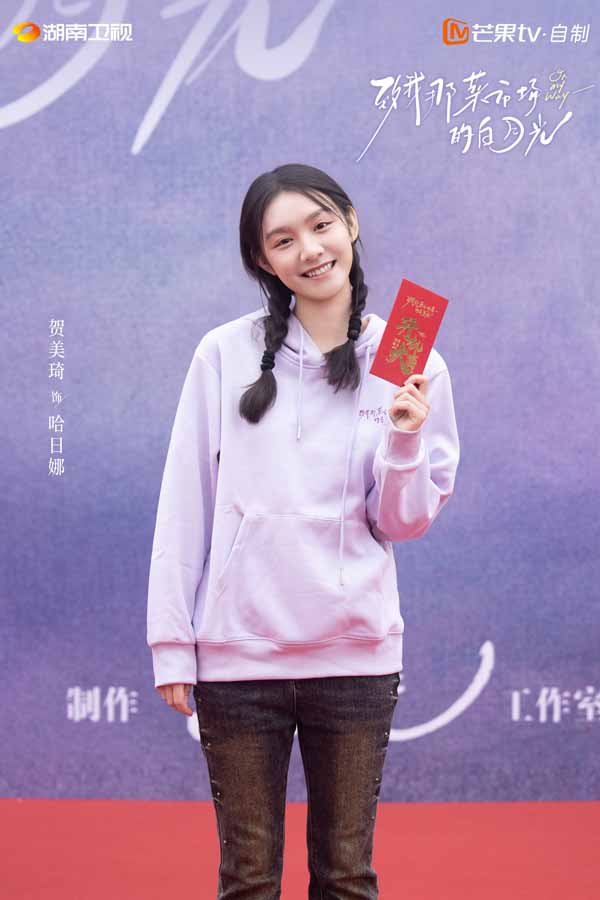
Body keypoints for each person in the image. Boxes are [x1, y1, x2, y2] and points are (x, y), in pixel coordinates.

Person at [147, 163, 460, 898]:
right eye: (282, 240)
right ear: (263, 260)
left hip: (355, 660)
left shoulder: (409, 352)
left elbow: (401, 521)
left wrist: (405, 439)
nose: (310, 250)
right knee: (247, 878)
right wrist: (171, 641)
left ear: (350, 222)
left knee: (345, 877)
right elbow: (184, 500)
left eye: (321, 226)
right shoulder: (223, 353)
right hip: (238, 658)